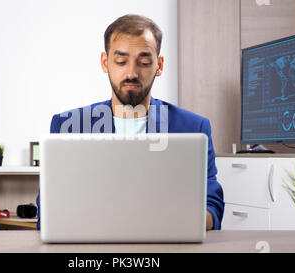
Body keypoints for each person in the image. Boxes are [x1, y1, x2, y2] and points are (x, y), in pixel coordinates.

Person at [36, 14, 224, 230]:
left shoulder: (194, 128)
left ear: (159, 65)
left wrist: (181, 222)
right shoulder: (66, 126)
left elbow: (213, 205)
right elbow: (49, 211)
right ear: (105, 63)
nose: (132, 73)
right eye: (121, 61)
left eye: (144, 62)